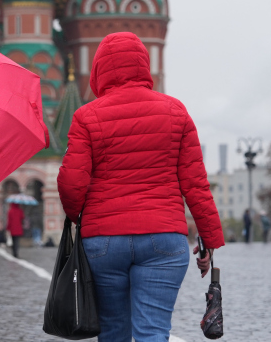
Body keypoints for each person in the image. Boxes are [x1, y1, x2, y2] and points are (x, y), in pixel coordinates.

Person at [57, 33, 224, 342]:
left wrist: (79, 216)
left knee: (112, 330)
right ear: (144, 66)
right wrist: (209, 239)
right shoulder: (176, 112)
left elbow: (71, 182)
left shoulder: (86, 116)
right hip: (164, 237)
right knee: (153, 331)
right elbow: (196, 184)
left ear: (98, 71)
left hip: (104, 240)